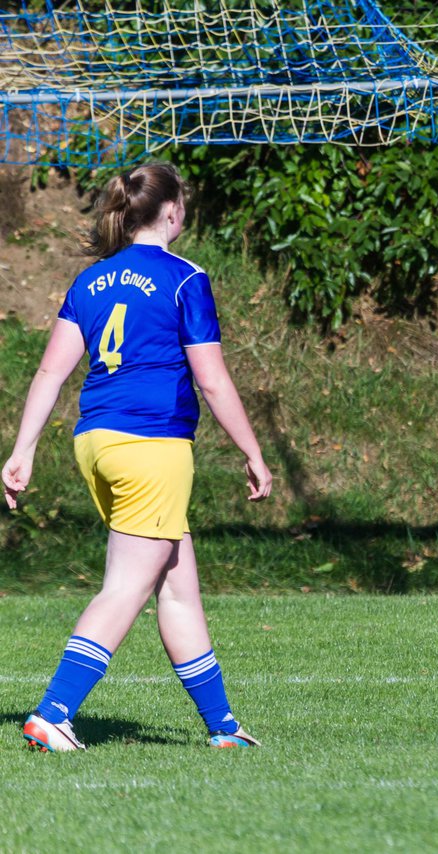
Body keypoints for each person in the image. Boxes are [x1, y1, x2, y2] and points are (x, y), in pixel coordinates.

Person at [2, 162, 273, 751]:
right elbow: (214, 380)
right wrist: (253, 451)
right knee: (125, 587)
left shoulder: (91, 280)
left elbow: (51, 370)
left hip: (96, 442)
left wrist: (22, 449)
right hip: (151, 445)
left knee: (177, 585)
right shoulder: (184, 278)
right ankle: (53, 713)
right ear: (173, 211)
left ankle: (223, 728)